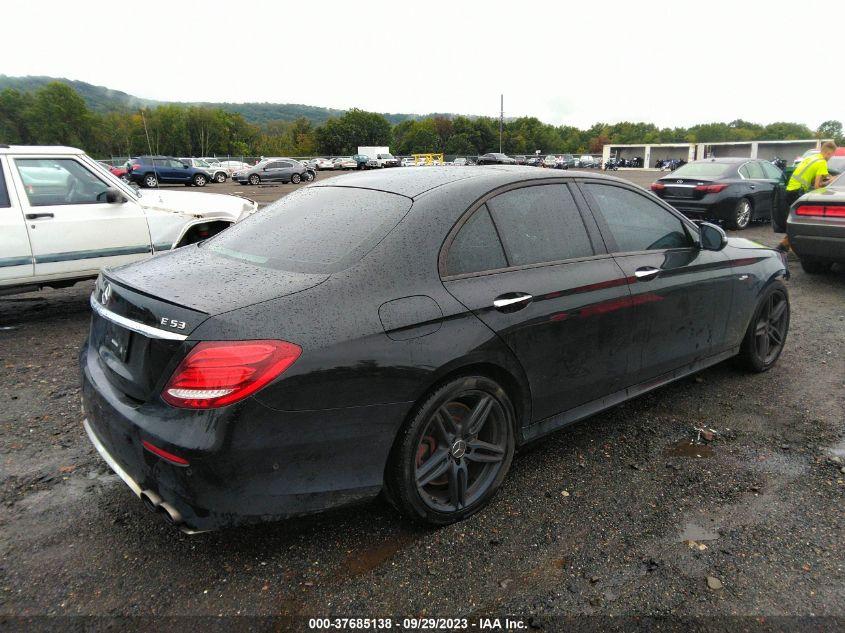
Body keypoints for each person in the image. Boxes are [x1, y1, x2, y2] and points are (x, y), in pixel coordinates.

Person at [777, 141, 837, 252]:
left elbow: (811, 176)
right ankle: (785, 246)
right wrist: (831, 182)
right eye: (832, 155)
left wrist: (827, 177)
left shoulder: (812, 157)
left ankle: (785, 245)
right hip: (797, 192)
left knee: (797, 220)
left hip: (790, 190)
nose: (831, 158)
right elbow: (817, 186)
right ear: (828, 153)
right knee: (804, 220)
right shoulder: (822, 162)